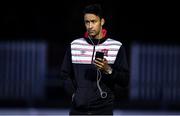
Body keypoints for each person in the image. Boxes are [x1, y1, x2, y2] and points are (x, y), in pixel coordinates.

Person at [60, 3, 129, 115]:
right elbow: (64, 75)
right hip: (78, 110)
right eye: (87, 22)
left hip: (103, 110)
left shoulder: (116, 47)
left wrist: (108, 70)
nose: (90, 26)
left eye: (94, 21)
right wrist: (74, 95)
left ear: (102, 22)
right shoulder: (75, 45)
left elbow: (125, 80)